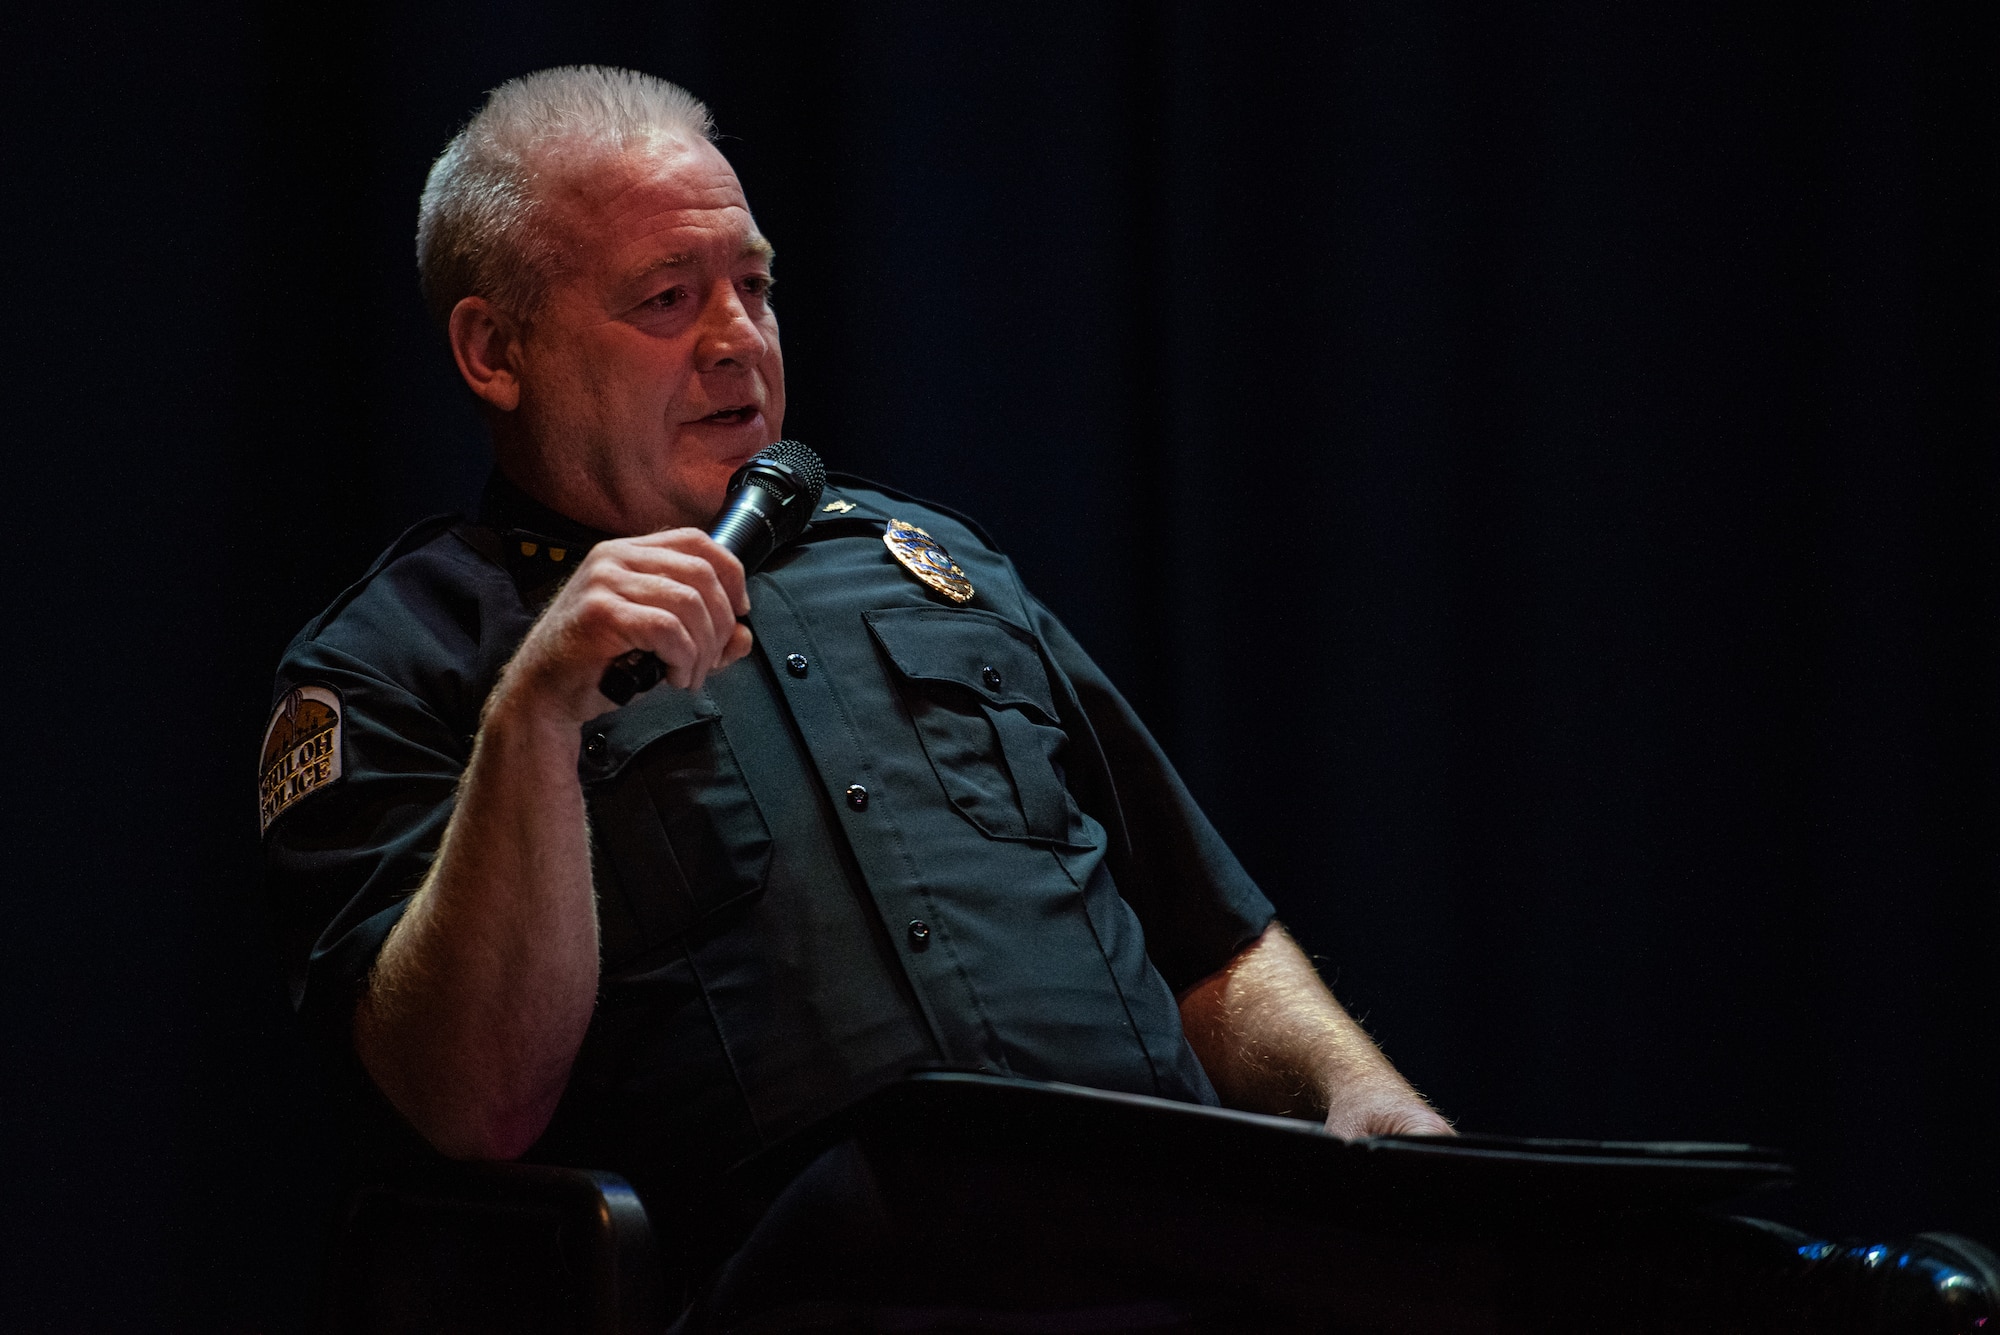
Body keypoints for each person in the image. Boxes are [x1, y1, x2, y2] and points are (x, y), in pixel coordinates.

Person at [262, 65, 1451, 1320]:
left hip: (1171, 1232)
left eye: (754, 287)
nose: (738, 337)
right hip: (842, 1277)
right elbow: (470, 1101)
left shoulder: (933, 565)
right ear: (495, 351)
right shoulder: (399, 660)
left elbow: (1204, 934)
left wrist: (1360, 1091)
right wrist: (539, 714)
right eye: (667, 298)